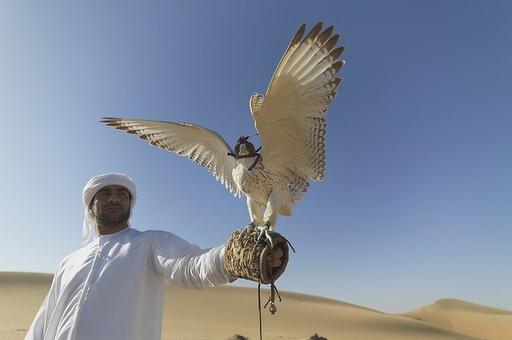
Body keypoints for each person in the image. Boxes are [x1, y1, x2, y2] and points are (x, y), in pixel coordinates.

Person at [25, 173, 284, 340]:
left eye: (122, 194)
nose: (114, 199)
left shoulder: (149, 243)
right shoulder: (69, 262)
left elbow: (191, 265)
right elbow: (45, 319)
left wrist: (232, 258)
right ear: (91, 205)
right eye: (105, 193)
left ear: (130, 204)